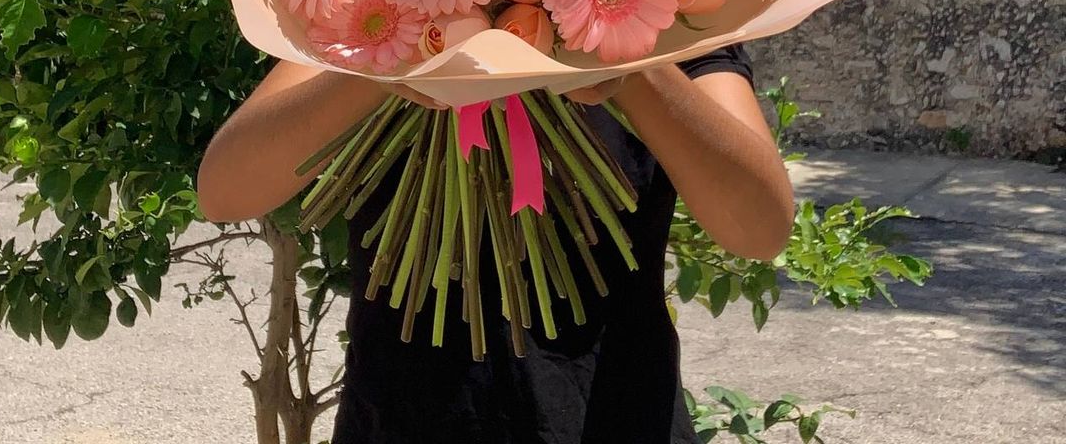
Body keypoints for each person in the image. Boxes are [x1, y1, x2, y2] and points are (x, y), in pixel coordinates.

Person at [197, 45, 794, 443]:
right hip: (408, 415)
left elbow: (760, 226)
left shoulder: (670, 6)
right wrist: (387, 61)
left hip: (609, 413)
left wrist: (629, 63)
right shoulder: (366, 10)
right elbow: (225, 189)